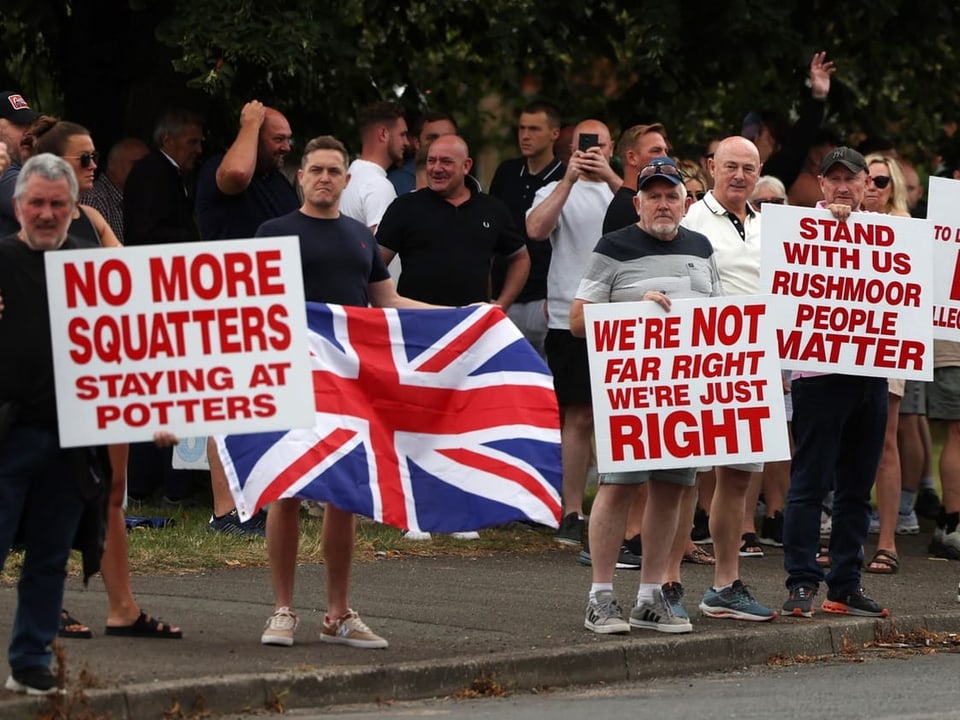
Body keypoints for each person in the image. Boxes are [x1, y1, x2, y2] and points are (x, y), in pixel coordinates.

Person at [255, 135, 438, 648]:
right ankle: (283, 610)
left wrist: (461, 317)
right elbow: (251, 306)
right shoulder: (273, 232)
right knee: (285, 492)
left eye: (334, 171)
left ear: (346, 178)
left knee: (345, 498)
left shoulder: (360, 238)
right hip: (290, 378)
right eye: (315, 169)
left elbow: (389, 302)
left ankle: (338, 614)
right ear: (301, 175)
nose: (324, 178)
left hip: (351, 384)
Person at [570, 157, 723, 634]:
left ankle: (650, 595)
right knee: (618, 487)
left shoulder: (702, 246)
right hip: (629, 392)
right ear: (637, 202)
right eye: (653, 195)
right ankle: (600, 596)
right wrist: (630, 312)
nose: (662, 203)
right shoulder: (612, 247)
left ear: (685, 202)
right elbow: (577, 321)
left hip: (685, 393)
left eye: (670, 195)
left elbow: (719, 318)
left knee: (672, 490)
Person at [0, 154, 109, 694]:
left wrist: (163, 410)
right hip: (7, 438)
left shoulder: (97, 270)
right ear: (18, 206)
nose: (46, 213)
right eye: (36, 203)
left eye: (57, 204)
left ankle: (30, 661)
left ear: (73, 210)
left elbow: (133, 357)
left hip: (72, 443)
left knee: (48, 558)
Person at [782, 146, 889, 618]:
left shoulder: (887, 237)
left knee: (855, 489)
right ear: (822, 186)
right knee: (809, 484)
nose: (843, 187)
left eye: (852, 178)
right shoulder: (801, 231)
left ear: (867, 184)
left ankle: (845, 584)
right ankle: (803, 580)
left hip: (872, 374)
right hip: (818, 374)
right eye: (834, 179)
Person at [681, 136, 778, 621]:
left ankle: (724, 584)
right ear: (711, 168)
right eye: (731, 167)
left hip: (754, 366)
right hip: (701, 363)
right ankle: (668, 585)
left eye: (749, 168)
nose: (740, 176)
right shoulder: (689, 219)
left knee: (738, 481)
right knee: (681, 478)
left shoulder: (773, 227)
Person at [195, 100, 300, 536]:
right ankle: (225, 514)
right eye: (278, 138)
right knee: (229, 412)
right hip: (229, 303)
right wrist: (252, 121)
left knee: (270, 412)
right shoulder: (223, 168)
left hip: (274, 306)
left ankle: (257, 506)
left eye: (289, 140)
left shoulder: (277, 182)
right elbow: (237, 175)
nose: (286, 148)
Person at [526, 119, 622, 547]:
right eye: (583, 146)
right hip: (572, 315)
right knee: (578, 415)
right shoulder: (554, 189)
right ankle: (571, 510)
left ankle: (618, 507)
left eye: (598, 145)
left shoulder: (622, 190)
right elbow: (535, 230)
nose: (591, 152)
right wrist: (568, 178)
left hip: (623, 315)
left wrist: (610, 177)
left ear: (612, 147)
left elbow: (647, 210)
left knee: (620, 414)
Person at [377, 133, 529, 308]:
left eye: (446, 162)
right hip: (417, 323)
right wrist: (386, 305)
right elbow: (374, 265)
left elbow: (520, 258)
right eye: (431, 161)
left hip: (471, 325)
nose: (436, 168)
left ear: (466, 166)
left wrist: (502, 305)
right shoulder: (405, 207)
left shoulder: (492, 209)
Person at [489, 100, 565, 358]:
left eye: (534, 129)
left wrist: (552, 301)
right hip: (504, 296)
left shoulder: (566, 178)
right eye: (521, 128)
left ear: (554, 133)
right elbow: (491, 236)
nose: (525, 136)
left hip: (544, 298)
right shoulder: (506, 172)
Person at [123, 109, 204, 247]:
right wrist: (189, 236)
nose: (199, 150)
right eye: (192, 142)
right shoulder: (151, 172)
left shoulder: (168, 171)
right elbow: (145, 231)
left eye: (200, 142)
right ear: (167, 140)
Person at [339, 101, 408, 233]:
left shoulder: (349, 175)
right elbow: (381, 249)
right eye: (402, 135)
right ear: (383, 134)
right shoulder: (377, 185)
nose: (406, 142)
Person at [602, 123, 669, 233]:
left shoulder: (637, 204)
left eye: (666, 151)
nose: (665, 157)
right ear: (632, 157)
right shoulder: (627, 209)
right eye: (656, 151)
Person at [80, 137, 149, 243]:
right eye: (136, 164)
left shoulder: (140, 198)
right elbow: (88, 249)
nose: (144, 171)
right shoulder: (94, 199)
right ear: (112, 165)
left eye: (147, 165)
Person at [0, 91, 40, 235]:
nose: (29, 131)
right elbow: (40, 211)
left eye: (30, 123)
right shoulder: (3, 173)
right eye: (19, 123)